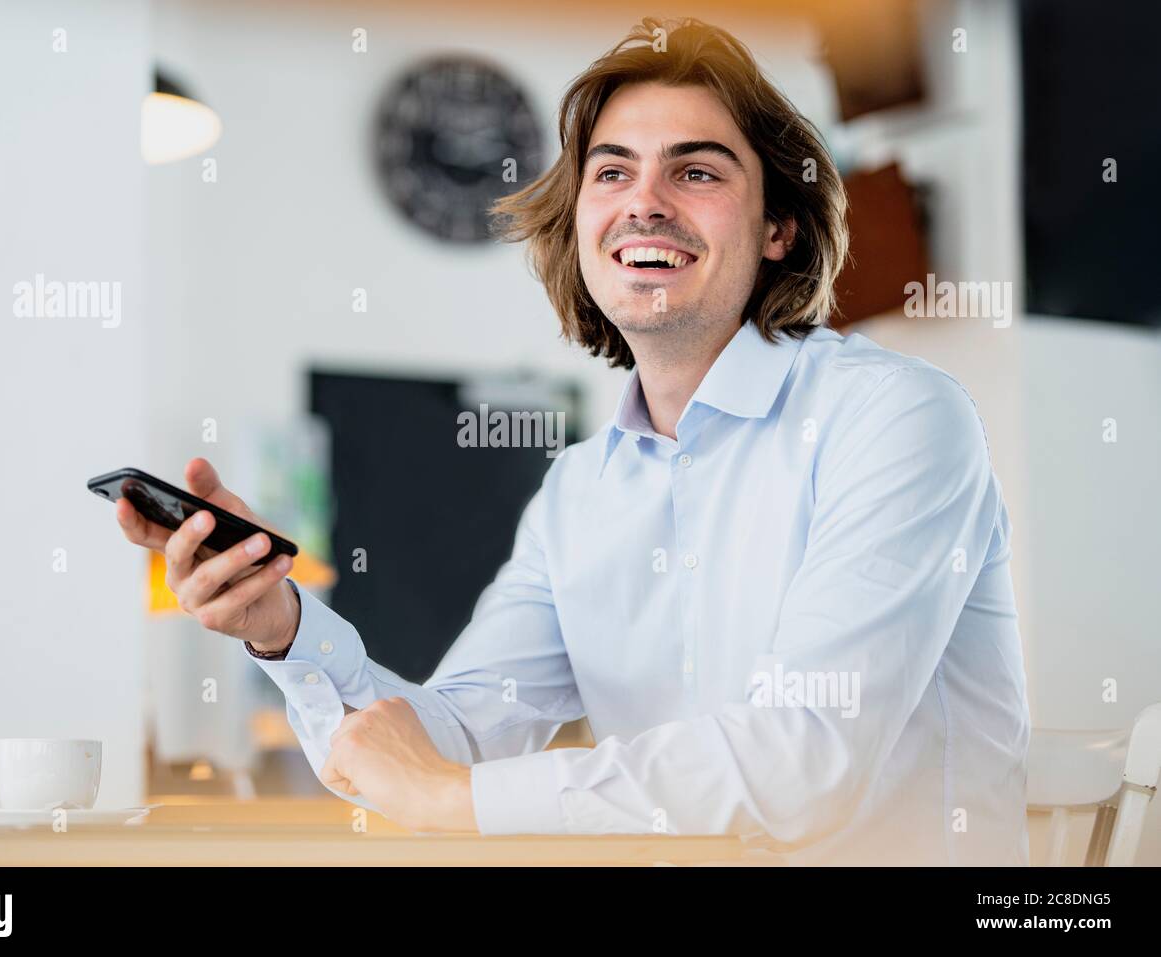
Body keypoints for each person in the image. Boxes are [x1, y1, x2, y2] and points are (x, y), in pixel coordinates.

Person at [114, 17, 1029, 865]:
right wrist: (281, 629)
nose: (646, 203)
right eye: (613, 171)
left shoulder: (897, 418)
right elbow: (454, 738)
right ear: (581, 224)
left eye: (698, 171)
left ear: (778, 230)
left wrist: (451, 800)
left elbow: (803, 766)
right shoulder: (580, 492)